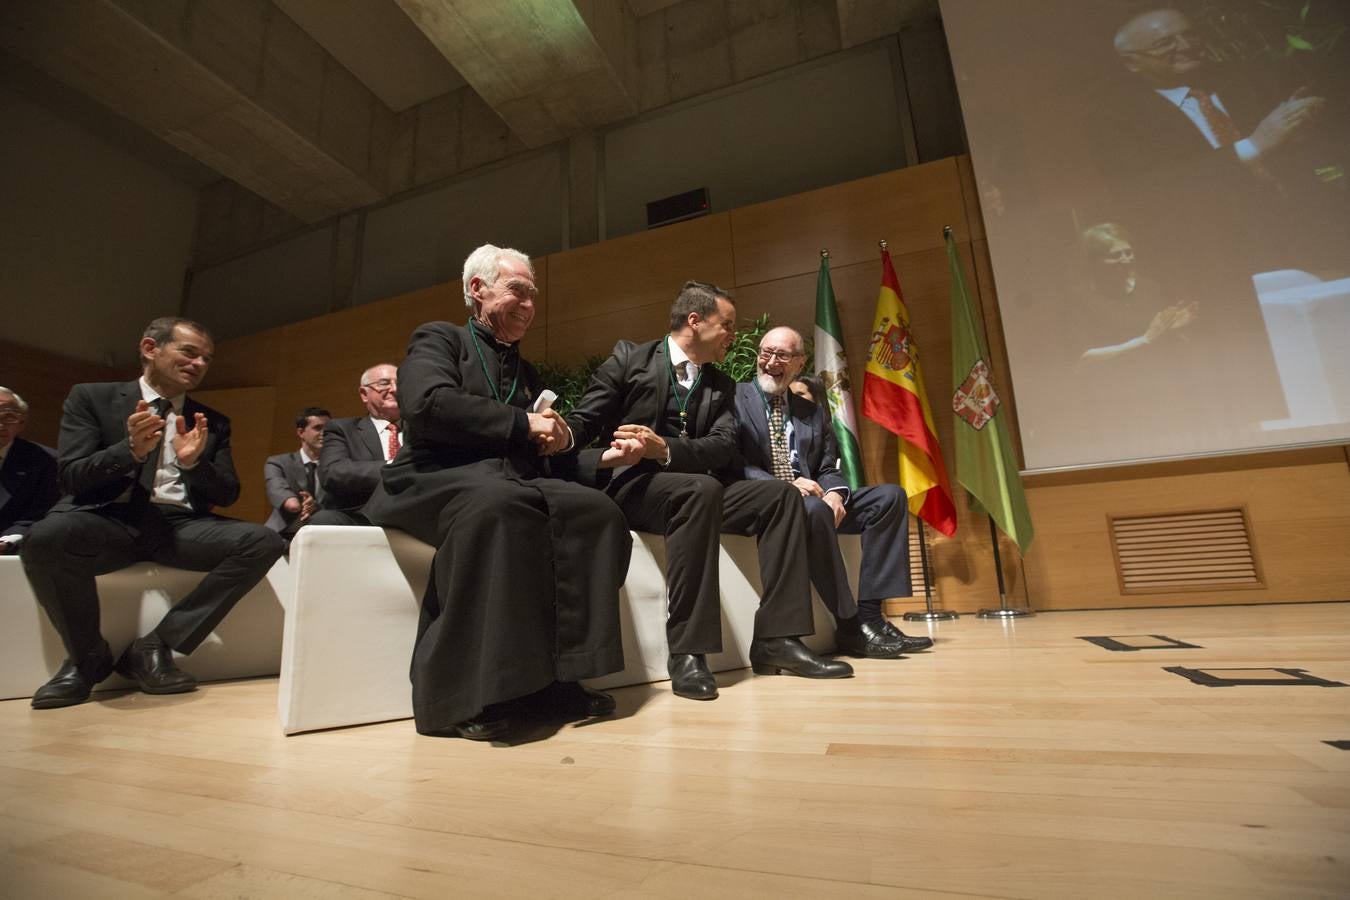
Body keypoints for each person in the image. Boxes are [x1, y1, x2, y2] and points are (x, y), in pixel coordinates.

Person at [363, 244, 641, 741]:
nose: (530, 306)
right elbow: (427, 404)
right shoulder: (439, 338)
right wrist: (524, 423)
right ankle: (463, 694)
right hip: (435, 474)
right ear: (478, 289)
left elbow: (535, 455)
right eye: (519, 291)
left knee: (595, 511)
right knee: (499, 506)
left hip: (507, 477)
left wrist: (602, 458)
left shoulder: (525, 372)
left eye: (534, 296)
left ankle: (560, 678)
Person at [565, 282, 853, 702]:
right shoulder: (630, 359)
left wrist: (664, 448)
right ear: (695, 321)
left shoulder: (721, 384)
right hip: (635, 487)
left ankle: (778, 639)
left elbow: (722, 446)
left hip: (700, 490)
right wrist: (570, 442)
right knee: (699, 489)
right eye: (728, 325)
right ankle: (688, 652)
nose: (734, 336)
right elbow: (582, 423)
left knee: (781, 495)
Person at [21, 317, 286, 709]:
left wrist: (195, 463)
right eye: (189, 352)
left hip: (178, 526)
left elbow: (228, 493)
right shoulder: (91, 397)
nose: (199, 364)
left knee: (263, 540)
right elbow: (71, 477)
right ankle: (86, 658)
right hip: (108, 519)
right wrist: (129, 451)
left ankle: (154, 646)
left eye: (206, 359)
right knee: (44, 537)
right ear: (150, 348)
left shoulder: (211, 421)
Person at [735, 326, 932, 658]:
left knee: (889, 498)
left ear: (800, 362)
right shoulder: (735, 399)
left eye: (782, 355)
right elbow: (732, 462)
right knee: (814, 510)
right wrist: (785, 486)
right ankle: (850, 626)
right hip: (768, 500)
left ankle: (871, 616)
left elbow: (827, 466)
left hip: (815, 498)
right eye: (766, 353)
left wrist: (835, 493)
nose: (770, 362)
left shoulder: (811, 412)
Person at [312, 364, 400, 526]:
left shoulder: (424, 430)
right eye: (384, 383)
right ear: (364, 394)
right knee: (324, 521)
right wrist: (395, 468)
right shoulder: (342, 429)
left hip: (417, 514)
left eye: (399, 383)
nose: (394, 389)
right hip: (362, 516)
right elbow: (333, 472)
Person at [0, 387, 60, 554]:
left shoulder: (46, 461)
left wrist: (6, 541)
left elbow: (40, 514)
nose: (0, 425)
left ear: (22, 424)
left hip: (12, 550)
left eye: (9, 417)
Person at [263, 406, 332, 543]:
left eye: (328, 429)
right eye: (318, 428)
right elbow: (278, 490)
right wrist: (298, 504)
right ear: (301, 432)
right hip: (283, 534)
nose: (324, 433)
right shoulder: (278, 462)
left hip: (325, 535)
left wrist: (316, 506)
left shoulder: (337, 466)